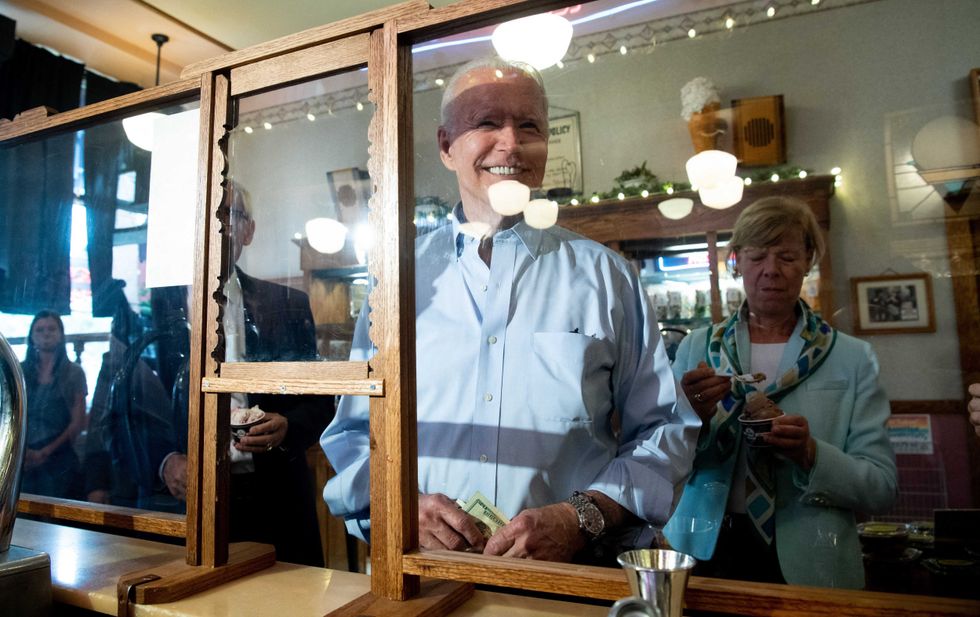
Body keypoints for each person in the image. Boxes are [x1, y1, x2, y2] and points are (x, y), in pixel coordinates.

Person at [322, 57, 699, 563]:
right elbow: (353, 432)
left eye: (529, 126)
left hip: (566, 581)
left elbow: (663, 430)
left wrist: (581, 517)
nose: (511, 143)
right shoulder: (400, 282)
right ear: (445, 145)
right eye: (486, 122)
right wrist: (397, 503)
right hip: (424, 575)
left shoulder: (607, 278)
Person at [663, 196, 898, 588]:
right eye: (757, 257)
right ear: (736, 261)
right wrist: (691, 419)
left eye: (787, 257)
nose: (771, 270)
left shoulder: (851, 357)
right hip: (701, 552)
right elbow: (662, 454)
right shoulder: (697, 349)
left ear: (809, 260)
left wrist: (810, 454)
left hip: (814, 558)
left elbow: (881, 487)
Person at [157, 181, 333, 567]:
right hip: (183, 504)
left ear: (248, 231)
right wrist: (166, 461)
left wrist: (288, 426)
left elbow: (322, 403)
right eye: (208, 215)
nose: (219, 226)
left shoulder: (287, 305)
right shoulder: (152, 307)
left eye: (231, 214)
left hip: (275, 499)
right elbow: (125, 412)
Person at [21, 310, 87, 499]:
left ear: (60, 335)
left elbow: (78, 423)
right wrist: (23, 453)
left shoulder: (74, 373)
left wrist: (44, 452)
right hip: (24, 456)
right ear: (32, 336)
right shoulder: (20, 372)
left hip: (59, 456)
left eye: (51, 329)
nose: (46, 334)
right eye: (40, 330)